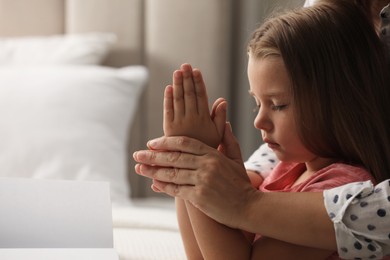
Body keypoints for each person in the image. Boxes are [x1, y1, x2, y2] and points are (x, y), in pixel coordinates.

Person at [133, 0, 390, 259]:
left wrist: (200, 164)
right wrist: (190, 169)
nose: (259, 122)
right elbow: (198, 255)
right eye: (257, 104)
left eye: (278, 105)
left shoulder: (341, 188)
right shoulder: (289, 169)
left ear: (336, 103)